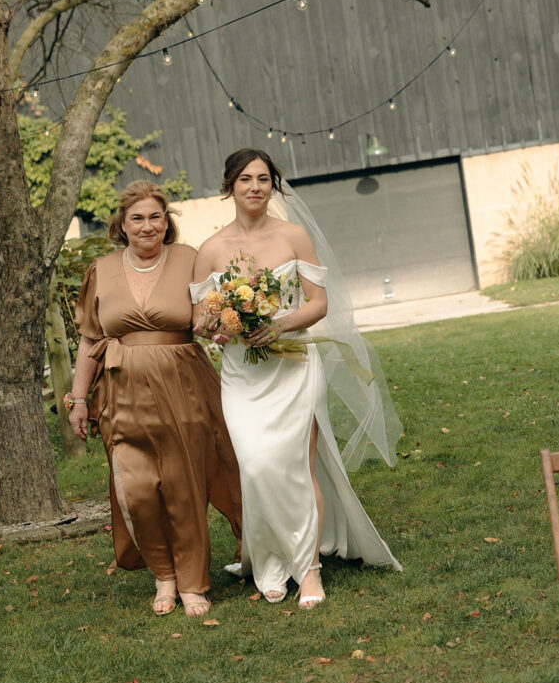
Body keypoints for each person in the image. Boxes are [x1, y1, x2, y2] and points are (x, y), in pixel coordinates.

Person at [191, 148, 401, 609]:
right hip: (243, 379)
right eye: (245, 179)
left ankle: (308, 571)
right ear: (229, 186)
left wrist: (281, 323)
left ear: (274, 185)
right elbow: (198, 319)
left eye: (264, 179)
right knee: (258, 466)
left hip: (295, 366)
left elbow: (318, 303)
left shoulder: (293, 235)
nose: (255, 187)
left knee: (299, 469)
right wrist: (220, 323)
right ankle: (267, 562)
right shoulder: (210, 249)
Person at [69, 180, 242, 617]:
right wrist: (79, 399)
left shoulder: (190, 259)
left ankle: (191, 583)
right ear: (121, 226)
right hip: (120, 390)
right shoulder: (101, 270)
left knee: (185, 488)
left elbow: (212, 313)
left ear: (168, 223)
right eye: (138, 218)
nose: (148, 226)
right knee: (138, 488)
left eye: (156, 217)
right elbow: (90, 338)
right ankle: (162, 574)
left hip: (184, 387)